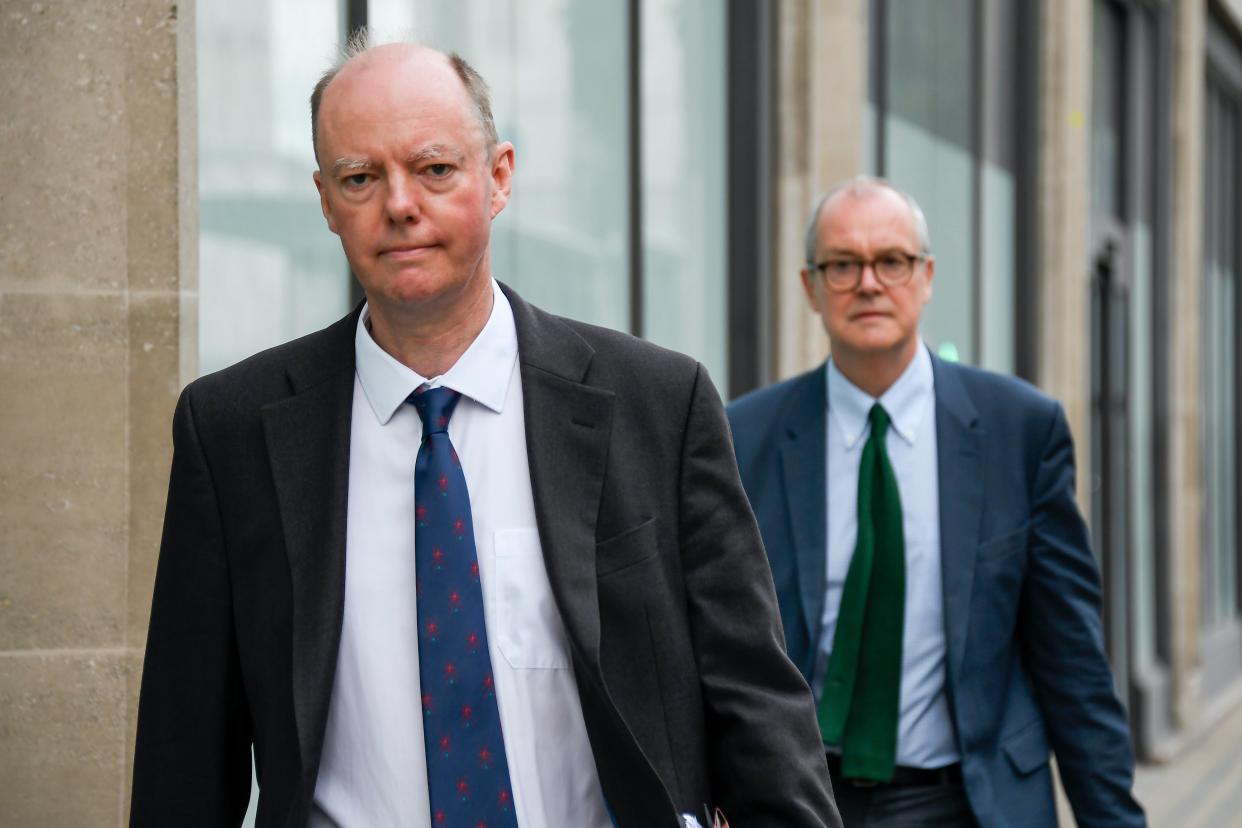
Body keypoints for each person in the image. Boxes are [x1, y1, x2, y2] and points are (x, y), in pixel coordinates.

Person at [129, 38, 841, 828]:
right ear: (327, 201)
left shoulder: (656, 404)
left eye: (434, 169)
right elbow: (184, 760)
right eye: (361, 178)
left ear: (498, 176)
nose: (400, 204)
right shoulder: (230, 433)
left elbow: (758, 709)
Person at [727, 177, 1146, 828]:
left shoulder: (1019, 431)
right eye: (843, 265)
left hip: (964, 803)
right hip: (799, 801)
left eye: (890, 261)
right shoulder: (744, 437)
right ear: (811, 286)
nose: (869, 283)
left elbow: (1072, 658)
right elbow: (719, 649)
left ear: (926, 276)